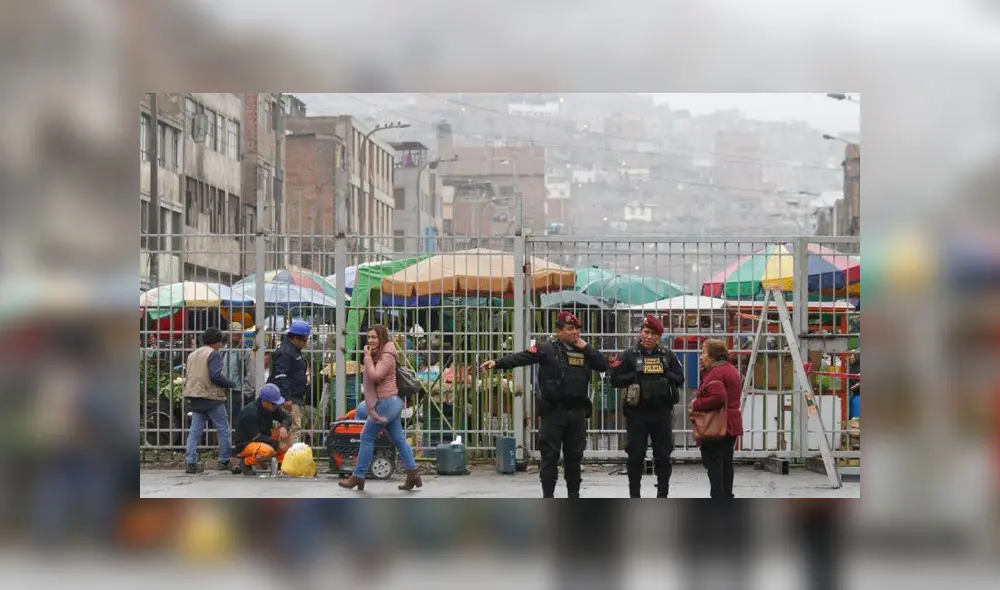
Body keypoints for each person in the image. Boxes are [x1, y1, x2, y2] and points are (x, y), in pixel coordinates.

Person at [480, 311, 609, 498]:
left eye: (577, 329)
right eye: (570, 329)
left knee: (574, 458)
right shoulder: (547, 349)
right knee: (550, 457)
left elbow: (603, 365)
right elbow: (522, 357)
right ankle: (548, 495)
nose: (575, 333)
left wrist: (586, 346)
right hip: (553, 412)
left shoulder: (584, 351)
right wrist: (497, 363)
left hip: (578, 412)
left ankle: (574, 495)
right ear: (559, 331)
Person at [608, 315, 684, 498]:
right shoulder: (629, 355)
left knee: (663, 456)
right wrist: (635, 374)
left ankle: (662, 494)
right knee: (635, 456)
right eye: (646, 332)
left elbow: (680, 379)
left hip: (661, 413)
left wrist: (666, 373)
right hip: (637, 414)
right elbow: (615, 380)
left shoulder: (667, 356)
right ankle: (634, 495)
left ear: (659, 336)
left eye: (653, 334)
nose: (649, 337)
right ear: (640, 333)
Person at [339, 324, 422, 492]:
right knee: (398, 439)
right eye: (368, 337)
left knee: (366, 436)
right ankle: (413, 474)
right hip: (389, 402)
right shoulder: (378, 353)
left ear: (382, 338)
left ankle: (359, 475)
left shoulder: (387, 354)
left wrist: (367, 358)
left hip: (386, 403)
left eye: (374, 337)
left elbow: (376, 375)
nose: (370, 340)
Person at [689, 339, 744, 498]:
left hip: (717, 425)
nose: (701, 356)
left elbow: (718, 397)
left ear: (713, 355)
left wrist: (696, 403)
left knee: (713, 463)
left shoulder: (716, 372)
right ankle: (727, 495)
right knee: (726, 463)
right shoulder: (729, 369)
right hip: (731, 423)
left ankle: (717, 498)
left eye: (704, 352)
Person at [183, 327, 239, 474]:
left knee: (195, 431)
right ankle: (224, 460)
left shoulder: (192, 354)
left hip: (195, 396)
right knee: (223, 428)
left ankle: (190, 462)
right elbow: (215, 375)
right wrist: (230, 384)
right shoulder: (213, 354)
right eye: (220, 342)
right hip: (211, 397)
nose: (221, 345)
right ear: (216, 342)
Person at [231, 383, 294, 475]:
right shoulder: (250, 413)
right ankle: (246, 462)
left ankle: (281, 465)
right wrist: (277, 444)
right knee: (267, 451)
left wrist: (284, 427)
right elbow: (256, 437)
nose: (276, 406)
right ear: (264, 401)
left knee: (284, 435)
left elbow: (287, 418)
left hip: (263, 438)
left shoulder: (272, 407)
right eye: (274, 404)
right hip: (246, 444)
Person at [268, 320, 311, 444]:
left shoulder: (291, 350)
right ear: (297, 338)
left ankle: (288, 457)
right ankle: (289, 458)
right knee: (292, 428)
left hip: (293, 395)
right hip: (289, 396)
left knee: (292, 427)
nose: (305, 343)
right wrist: (286, 398)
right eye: (305, 340)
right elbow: (282, 376)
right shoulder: (286, 352)